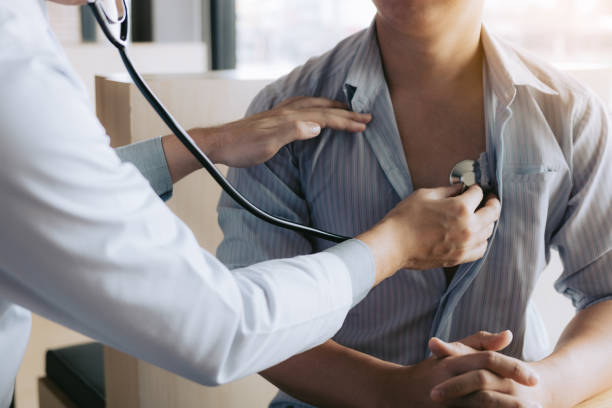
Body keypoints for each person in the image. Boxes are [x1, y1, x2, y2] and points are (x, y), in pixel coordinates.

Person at [0, 0, 504, 407]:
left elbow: (39, 193)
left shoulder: (562, 111)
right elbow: (219, 328)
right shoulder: (14, 71)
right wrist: (394, 244)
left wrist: (207, 144)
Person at [213, 0, 612, 407]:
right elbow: (252, 319)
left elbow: (608, 294)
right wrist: (391, 391)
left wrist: (543, 387)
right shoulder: (282, 117)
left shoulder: (570, 114)